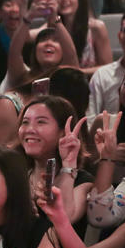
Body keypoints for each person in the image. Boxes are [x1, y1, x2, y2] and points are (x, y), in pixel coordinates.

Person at [19, 96, 94, 226]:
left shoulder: (83, 181)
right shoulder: (17, 176)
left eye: (41, 122)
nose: (30, 129)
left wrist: (68, 164)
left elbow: (65, 220)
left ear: (63, 131)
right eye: (25, 122)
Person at [53, 0, 111, 73]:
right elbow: (28, 37)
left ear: (80, 0)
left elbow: (107, 67)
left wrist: (78, 73)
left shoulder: (96, 27)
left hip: (89, 82)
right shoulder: (53, 25)